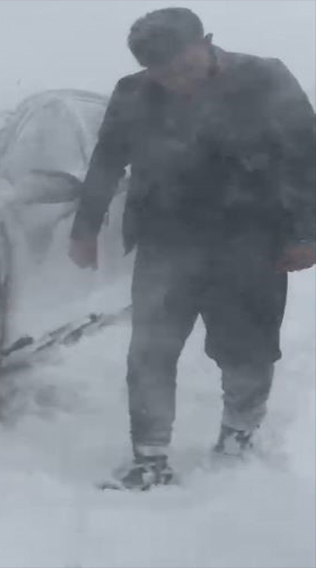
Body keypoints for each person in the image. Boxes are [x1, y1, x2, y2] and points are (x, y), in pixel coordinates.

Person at [69, 7, 316, 490]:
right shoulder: (133, 92)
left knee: (246, 349)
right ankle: (150, 458)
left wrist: (308, 232)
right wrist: (85, 227)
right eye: (164, 75)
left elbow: (307, 157)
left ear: (206, 42)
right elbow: (106, 160)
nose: (177, 82)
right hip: (166, 237)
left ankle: (237, 437)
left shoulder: (265, 78)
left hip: (251, 238)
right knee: (149, 350)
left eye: (185, 67)